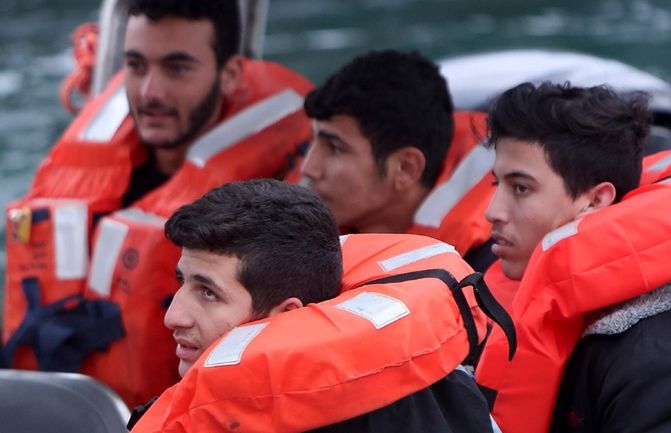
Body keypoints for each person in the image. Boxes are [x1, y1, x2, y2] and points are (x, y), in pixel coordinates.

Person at [2, 0, 313, 407]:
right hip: (40, 398)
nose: (151, 91)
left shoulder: (279, 192)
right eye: (136, 65)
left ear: (230, 73)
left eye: (177, 68)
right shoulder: (85, 161)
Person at [473, 82, 671, 432]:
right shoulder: (595, 317)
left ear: (596, 201)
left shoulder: (657, 372)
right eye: (497, 185)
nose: (493, 212)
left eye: (521, 188)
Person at [129, 179, 501, 432]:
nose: (172, 317)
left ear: (288, 317)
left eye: (208, 293)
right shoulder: (450, 394)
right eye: (183, 282)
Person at [297, 50, 496, 271]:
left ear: (405, 168)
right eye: (310, 143)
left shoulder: (483, 276)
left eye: (335, 148)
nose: (309, 168)